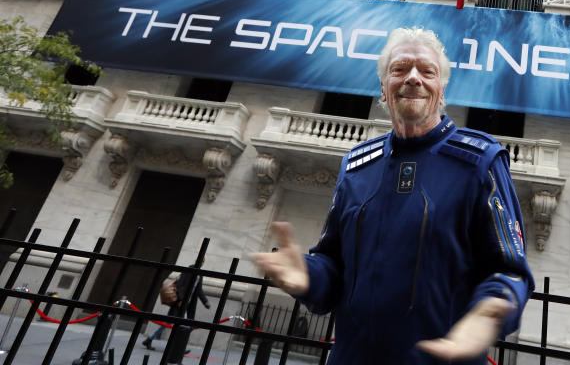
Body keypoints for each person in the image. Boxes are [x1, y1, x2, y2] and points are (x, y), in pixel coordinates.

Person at [252, 27, 534, 364]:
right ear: (384, 90)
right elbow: (333, 264)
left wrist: (490, 310)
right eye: (399, 69)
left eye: (427, 71)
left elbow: (510, 269)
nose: (413, 78)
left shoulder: (480, 161)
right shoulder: (356, 165)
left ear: (441, 91)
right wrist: (309, 276)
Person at [142, 261, 210, 351]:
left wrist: (205, 302)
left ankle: (149, 339)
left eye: (203, 261)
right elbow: (180, 285)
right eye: (200, 261)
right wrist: (181, 299)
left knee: (168, 323)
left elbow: (199, 290)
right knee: (183, 325)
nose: (201, 263)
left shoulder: (200, 274)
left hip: (188, 305)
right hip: (180, 303)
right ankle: (178, 348)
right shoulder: (189, 270)